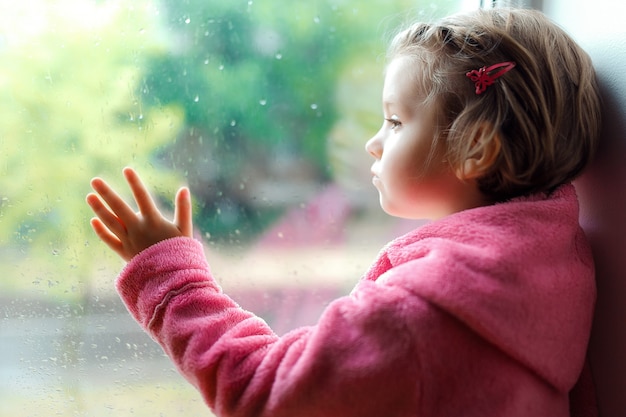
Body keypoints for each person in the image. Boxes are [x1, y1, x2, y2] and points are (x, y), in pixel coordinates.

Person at [86, 7, 601, 417]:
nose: (374, 144)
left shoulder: (420, 315)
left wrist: (172, 278)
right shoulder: (554, 266)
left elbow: (265, 393)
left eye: (396, 122)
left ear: (477, 148)